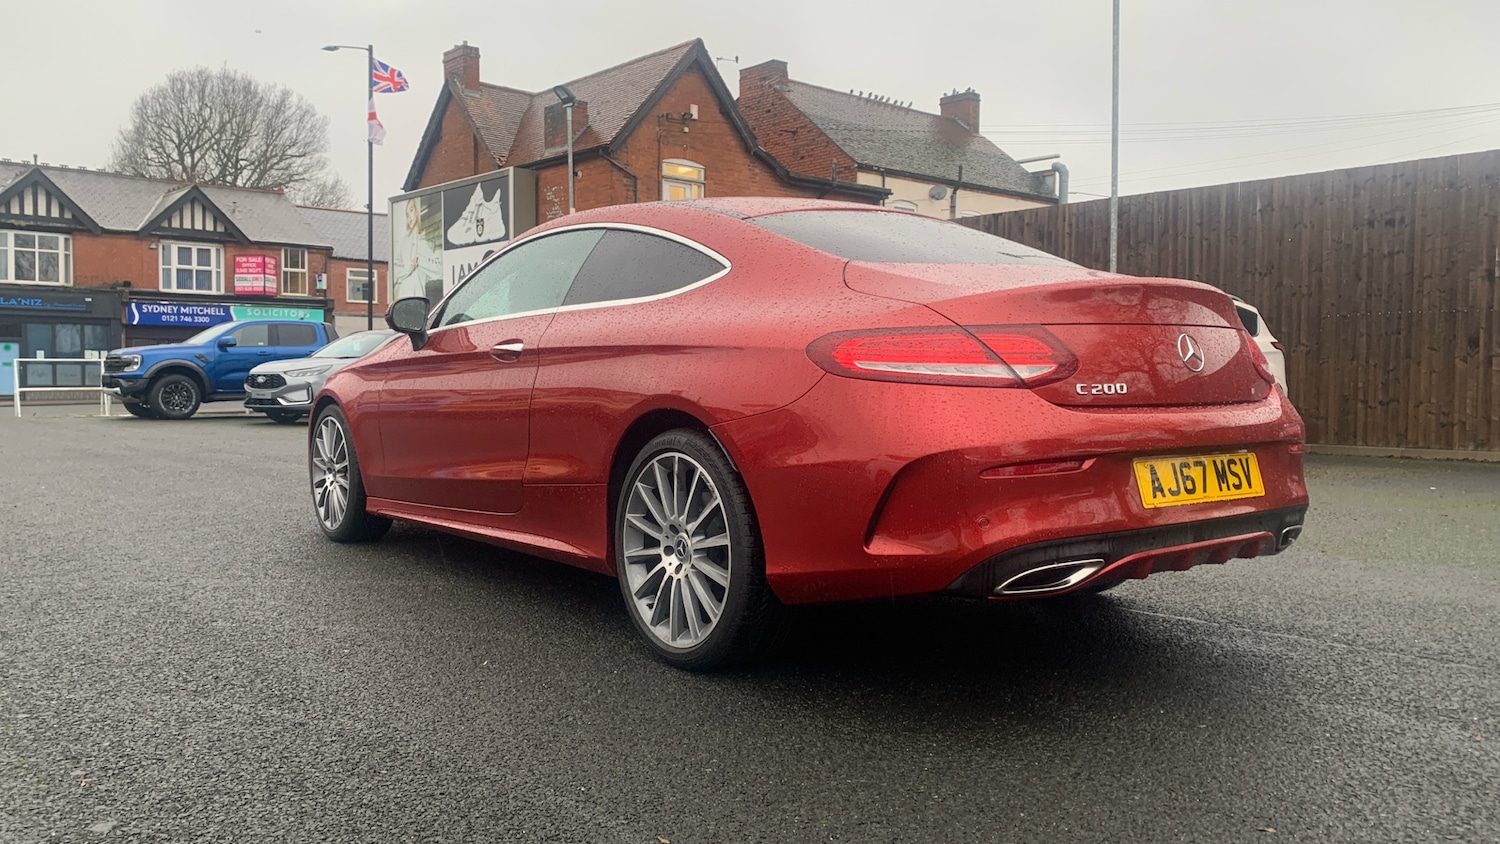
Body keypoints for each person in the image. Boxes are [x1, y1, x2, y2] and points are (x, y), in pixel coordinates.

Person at [392, 199, 440, 300]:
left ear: (418, 211)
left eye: (411, 210)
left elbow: (438, 271)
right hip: (403, 298)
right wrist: (410, 268)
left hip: (419, 297)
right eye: (407, 213)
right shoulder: (403, 242)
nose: (409, 216)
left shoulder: (428, 242)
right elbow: (396, 271)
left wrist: (421, 261)